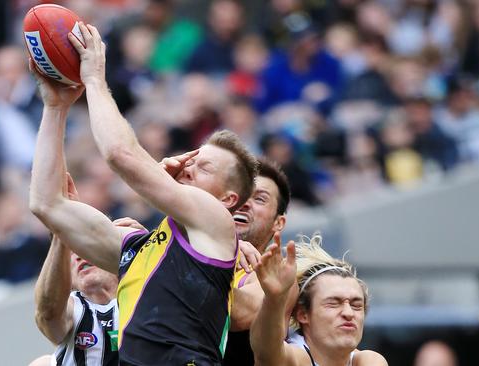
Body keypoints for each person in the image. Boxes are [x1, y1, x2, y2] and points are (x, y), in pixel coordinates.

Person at [29, 22, 258, 365]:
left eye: (206, 168)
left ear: (227, 201)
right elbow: (48, 204)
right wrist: (55, 107)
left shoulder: (216, 224)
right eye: (193, 158)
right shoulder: (141, 250)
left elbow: (121, 155)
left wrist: (94, 80)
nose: (190, 166)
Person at [29, 174, 128, 366]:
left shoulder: (144, 291)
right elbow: (48, 310)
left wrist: (143, 247)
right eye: (71, 251)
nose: (80, 255)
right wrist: (62, 226)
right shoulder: (74, 311)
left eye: (86, 246)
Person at [250, 234, 388, 366]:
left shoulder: (369, 361)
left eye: (356, 305)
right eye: (333, 304)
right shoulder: (294, 359)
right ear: (303, 314)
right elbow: (266, 353)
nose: (348, 313)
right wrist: (274, 298)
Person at [223, 157, 291, 366]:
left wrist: (224, 252)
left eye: (260, 199)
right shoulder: (182, 248)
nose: (245, 203)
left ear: (278, 223)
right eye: (240, 193)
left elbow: (241, 316)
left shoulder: (280, 276)